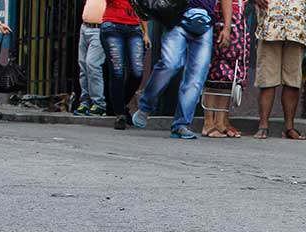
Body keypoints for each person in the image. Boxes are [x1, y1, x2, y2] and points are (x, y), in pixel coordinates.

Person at [132, 0, 233, 139]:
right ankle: (145, 106)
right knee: (170, 64)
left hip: (205, 23)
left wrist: (227, 27)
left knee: (196, 77)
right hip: (177, 18)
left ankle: (181, 124)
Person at [252, 0, 306, 139]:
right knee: (267, 80)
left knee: (293, 81)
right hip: (269, 27)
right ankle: (263, 126)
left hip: (297, 29)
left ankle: (289, 127)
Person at [100, 0, 150, 130]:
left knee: (137, 72)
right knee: (117, 71)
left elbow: (143, 9)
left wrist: (146, 33)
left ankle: (120, 105)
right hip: (112, 25)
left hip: (134, 28)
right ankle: (120, 114)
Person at [201, 0, 249, 138]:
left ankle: (221, 121)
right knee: (215, 71)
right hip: (224, 18)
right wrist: (227, 27)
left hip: (236, 17)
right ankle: (209, 122)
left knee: (229, 71)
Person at [74, 0, 108, 117]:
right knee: (83, 66)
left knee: (92, 64)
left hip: (99, 28)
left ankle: (99, 103)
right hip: (85, 26)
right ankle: (85, 101)